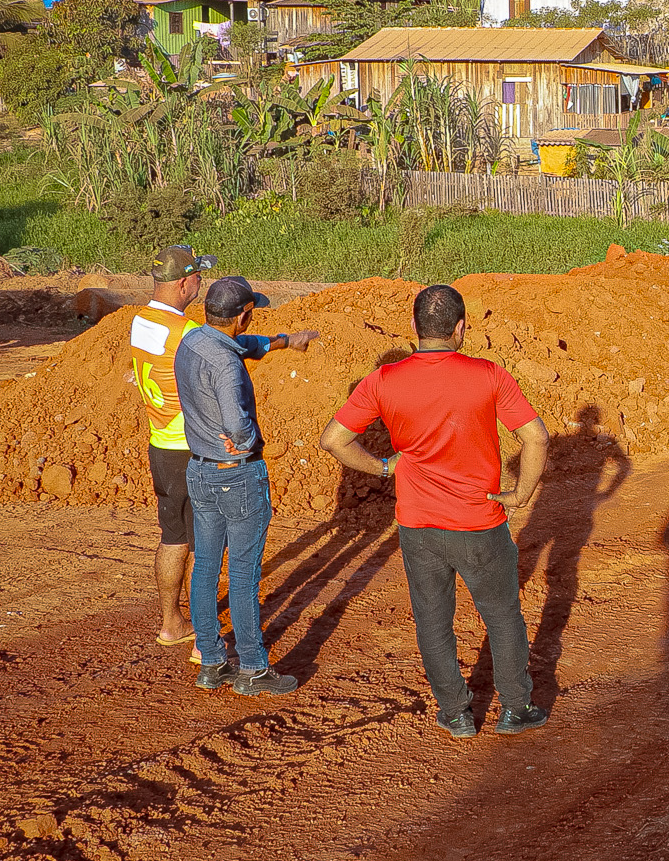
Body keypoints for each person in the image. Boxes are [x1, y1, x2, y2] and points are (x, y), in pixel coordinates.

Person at [319, 285, 550, 739]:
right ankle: (515, 707)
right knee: (502, 615)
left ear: (414, 330)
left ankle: (456, 712)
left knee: (432, 619)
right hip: (480, 521)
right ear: (460, 329)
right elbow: (536, 438)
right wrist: (520, 494)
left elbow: (332, 440)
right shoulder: (489, 375)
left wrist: (384, 466)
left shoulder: (383, 380)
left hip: (418, 524)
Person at [174, 276, 317, 695]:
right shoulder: (227, 366)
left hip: (199, 471)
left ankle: (211, 662)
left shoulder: (194, 342)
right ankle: (253, 667)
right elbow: (237, 424)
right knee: (242, 573)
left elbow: (243, 344)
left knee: (205, 567)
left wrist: (284, 341)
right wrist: (250, 440)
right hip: (237, 476)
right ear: (243, 314)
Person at [128, 244, 217, 655]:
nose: (203, 281)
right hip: (192, 449)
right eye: (199, 276)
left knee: (173, 536)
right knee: (206, 542)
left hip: (160, 446)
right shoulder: (187, 334)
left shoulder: (140, 321)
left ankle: (171, 624)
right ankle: (205, 637)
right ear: (185, 283)